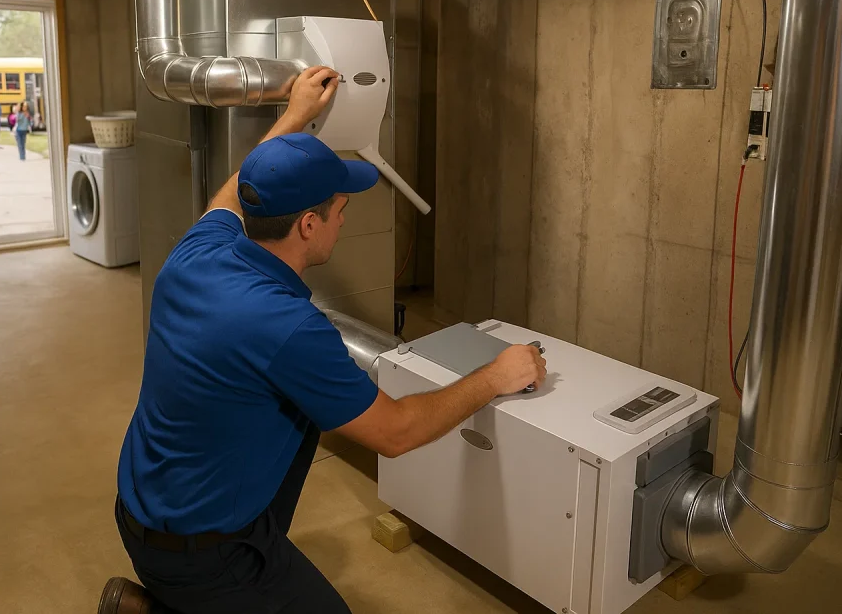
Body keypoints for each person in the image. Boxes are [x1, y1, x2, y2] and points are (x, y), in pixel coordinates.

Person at [100, 66, 547, 614]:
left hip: (140, 507)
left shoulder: (197, 251)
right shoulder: (287, 325)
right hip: (206, 555)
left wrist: (293, 118)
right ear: (308, 225)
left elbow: (233, 193)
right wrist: (498, 375)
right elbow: (396, 431)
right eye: (340, 211)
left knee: (291, 418)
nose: (343, 220)